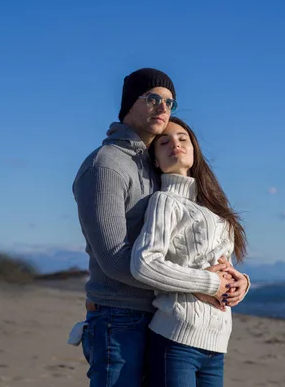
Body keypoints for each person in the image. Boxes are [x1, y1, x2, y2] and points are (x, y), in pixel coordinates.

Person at [69, 68, 244, 387]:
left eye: (169, 102)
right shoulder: (106, 165)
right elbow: (115, 261)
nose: (163, 108)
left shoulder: (153, 166)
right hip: (118, 317)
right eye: (152, 99)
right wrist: (202, 285)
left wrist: (235, 281)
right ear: (127, 106)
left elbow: (189, 250)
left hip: (159, 316)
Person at [131, 116, 250, 387]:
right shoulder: (165, 201)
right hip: (176, 337)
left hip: (217, 341)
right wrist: (208, 283)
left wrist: (242, 283)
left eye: (183, 139)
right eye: (165, 141)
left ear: (195, 151)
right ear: (156, 161)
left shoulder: (214, 207)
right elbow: (144, 263)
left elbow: (221, 264)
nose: (176, 144)